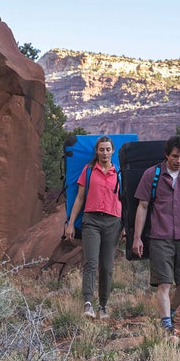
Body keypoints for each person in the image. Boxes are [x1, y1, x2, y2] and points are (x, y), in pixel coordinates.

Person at [131, 135, 180, 336]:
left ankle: (170, 314)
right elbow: (143, 206)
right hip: (159, 237)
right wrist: (137, 237)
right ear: (166, 155)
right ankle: (166, 325)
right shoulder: (152, 175)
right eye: (175, 156)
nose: (179, 161)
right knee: (164, 283)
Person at [65, 136, 123, 319]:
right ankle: (88, 304)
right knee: (90, 263)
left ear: (113, 151)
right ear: (96, 152)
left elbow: (125, 201)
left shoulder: (119, 174)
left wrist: (127, 227)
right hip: (92, 221)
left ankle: (103, 306)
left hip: (113, 222)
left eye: (107, 149)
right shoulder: (89, 171)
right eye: (101, 150)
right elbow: (80, 198)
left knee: (107, 267)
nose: (105, 153)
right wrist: (70, 223)